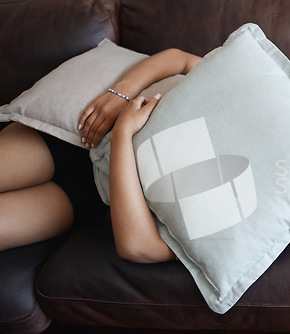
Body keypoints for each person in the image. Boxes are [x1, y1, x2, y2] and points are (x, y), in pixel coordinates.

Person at [0, 48, 202, 263]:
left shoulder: (238, 211)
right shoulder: (239, 89)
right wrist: (122, 94)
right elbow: (180, 59)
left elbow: (141, 248)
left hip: (97, 193)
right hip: (71, 133)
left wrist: (123, 134)